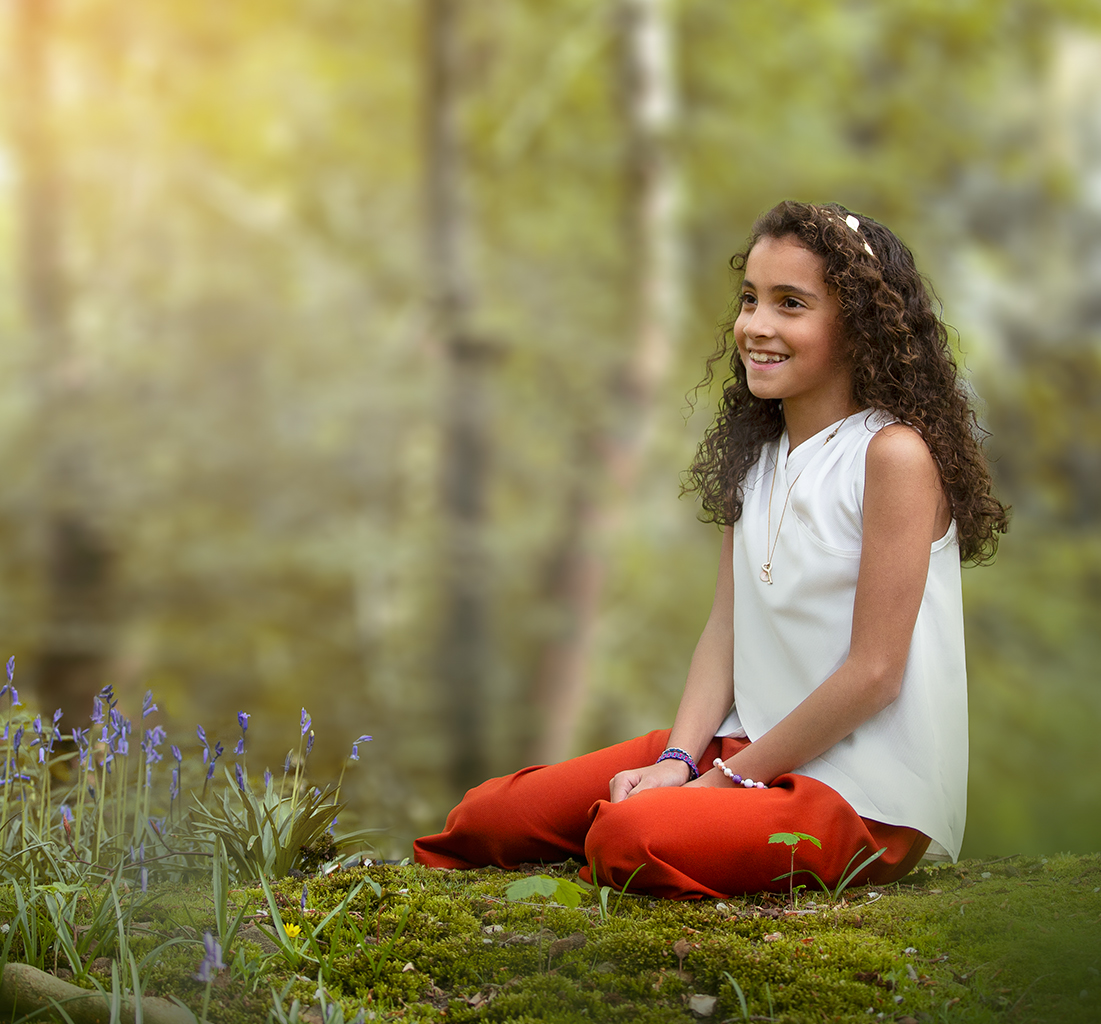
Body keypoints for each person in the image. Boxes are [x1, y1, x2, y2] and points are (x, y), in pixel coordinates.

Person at [413, 200, 1008, 899]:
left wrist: (725, 780)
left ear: (858, 327)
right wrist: (677, 758)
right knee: (486, 817)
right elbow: (726, 631)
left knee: (625, 838)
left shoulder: (894, 455)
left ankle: (656, 837)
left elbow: (875, 672)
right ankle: (666, 816)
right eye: (751, 299)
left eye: (791, 304)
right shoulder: (758, 455)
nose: (757, 325)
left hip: (858, 796)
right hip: (741, 748)